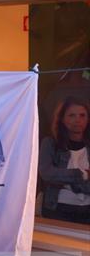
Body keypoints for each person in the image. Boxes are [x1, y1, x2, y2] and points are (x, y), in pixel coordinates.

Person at [39, 96, 90, 224]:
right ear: (62, 119)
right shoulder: (50, 143)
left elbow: (55, 175)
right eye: (72, 115)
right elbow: (46, 173)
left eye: (82, 115)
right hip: (58, 207)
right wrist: (82, 174)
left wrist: (65, 179)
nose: (78, 120)